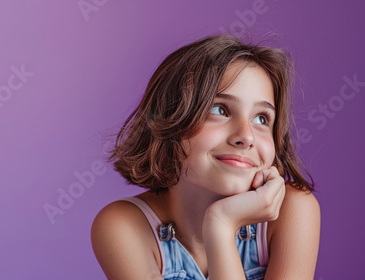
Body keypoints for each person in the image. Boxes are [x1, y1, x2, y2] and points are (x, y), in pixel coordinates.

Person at [91, 34, 320, 280]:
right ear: (169, 122)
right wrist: (221, 225)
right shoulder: (124, 226)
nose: (246, 136)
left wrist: (220, 225)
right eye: (219, 110)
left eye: (261, 118)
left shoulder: (293, 211)